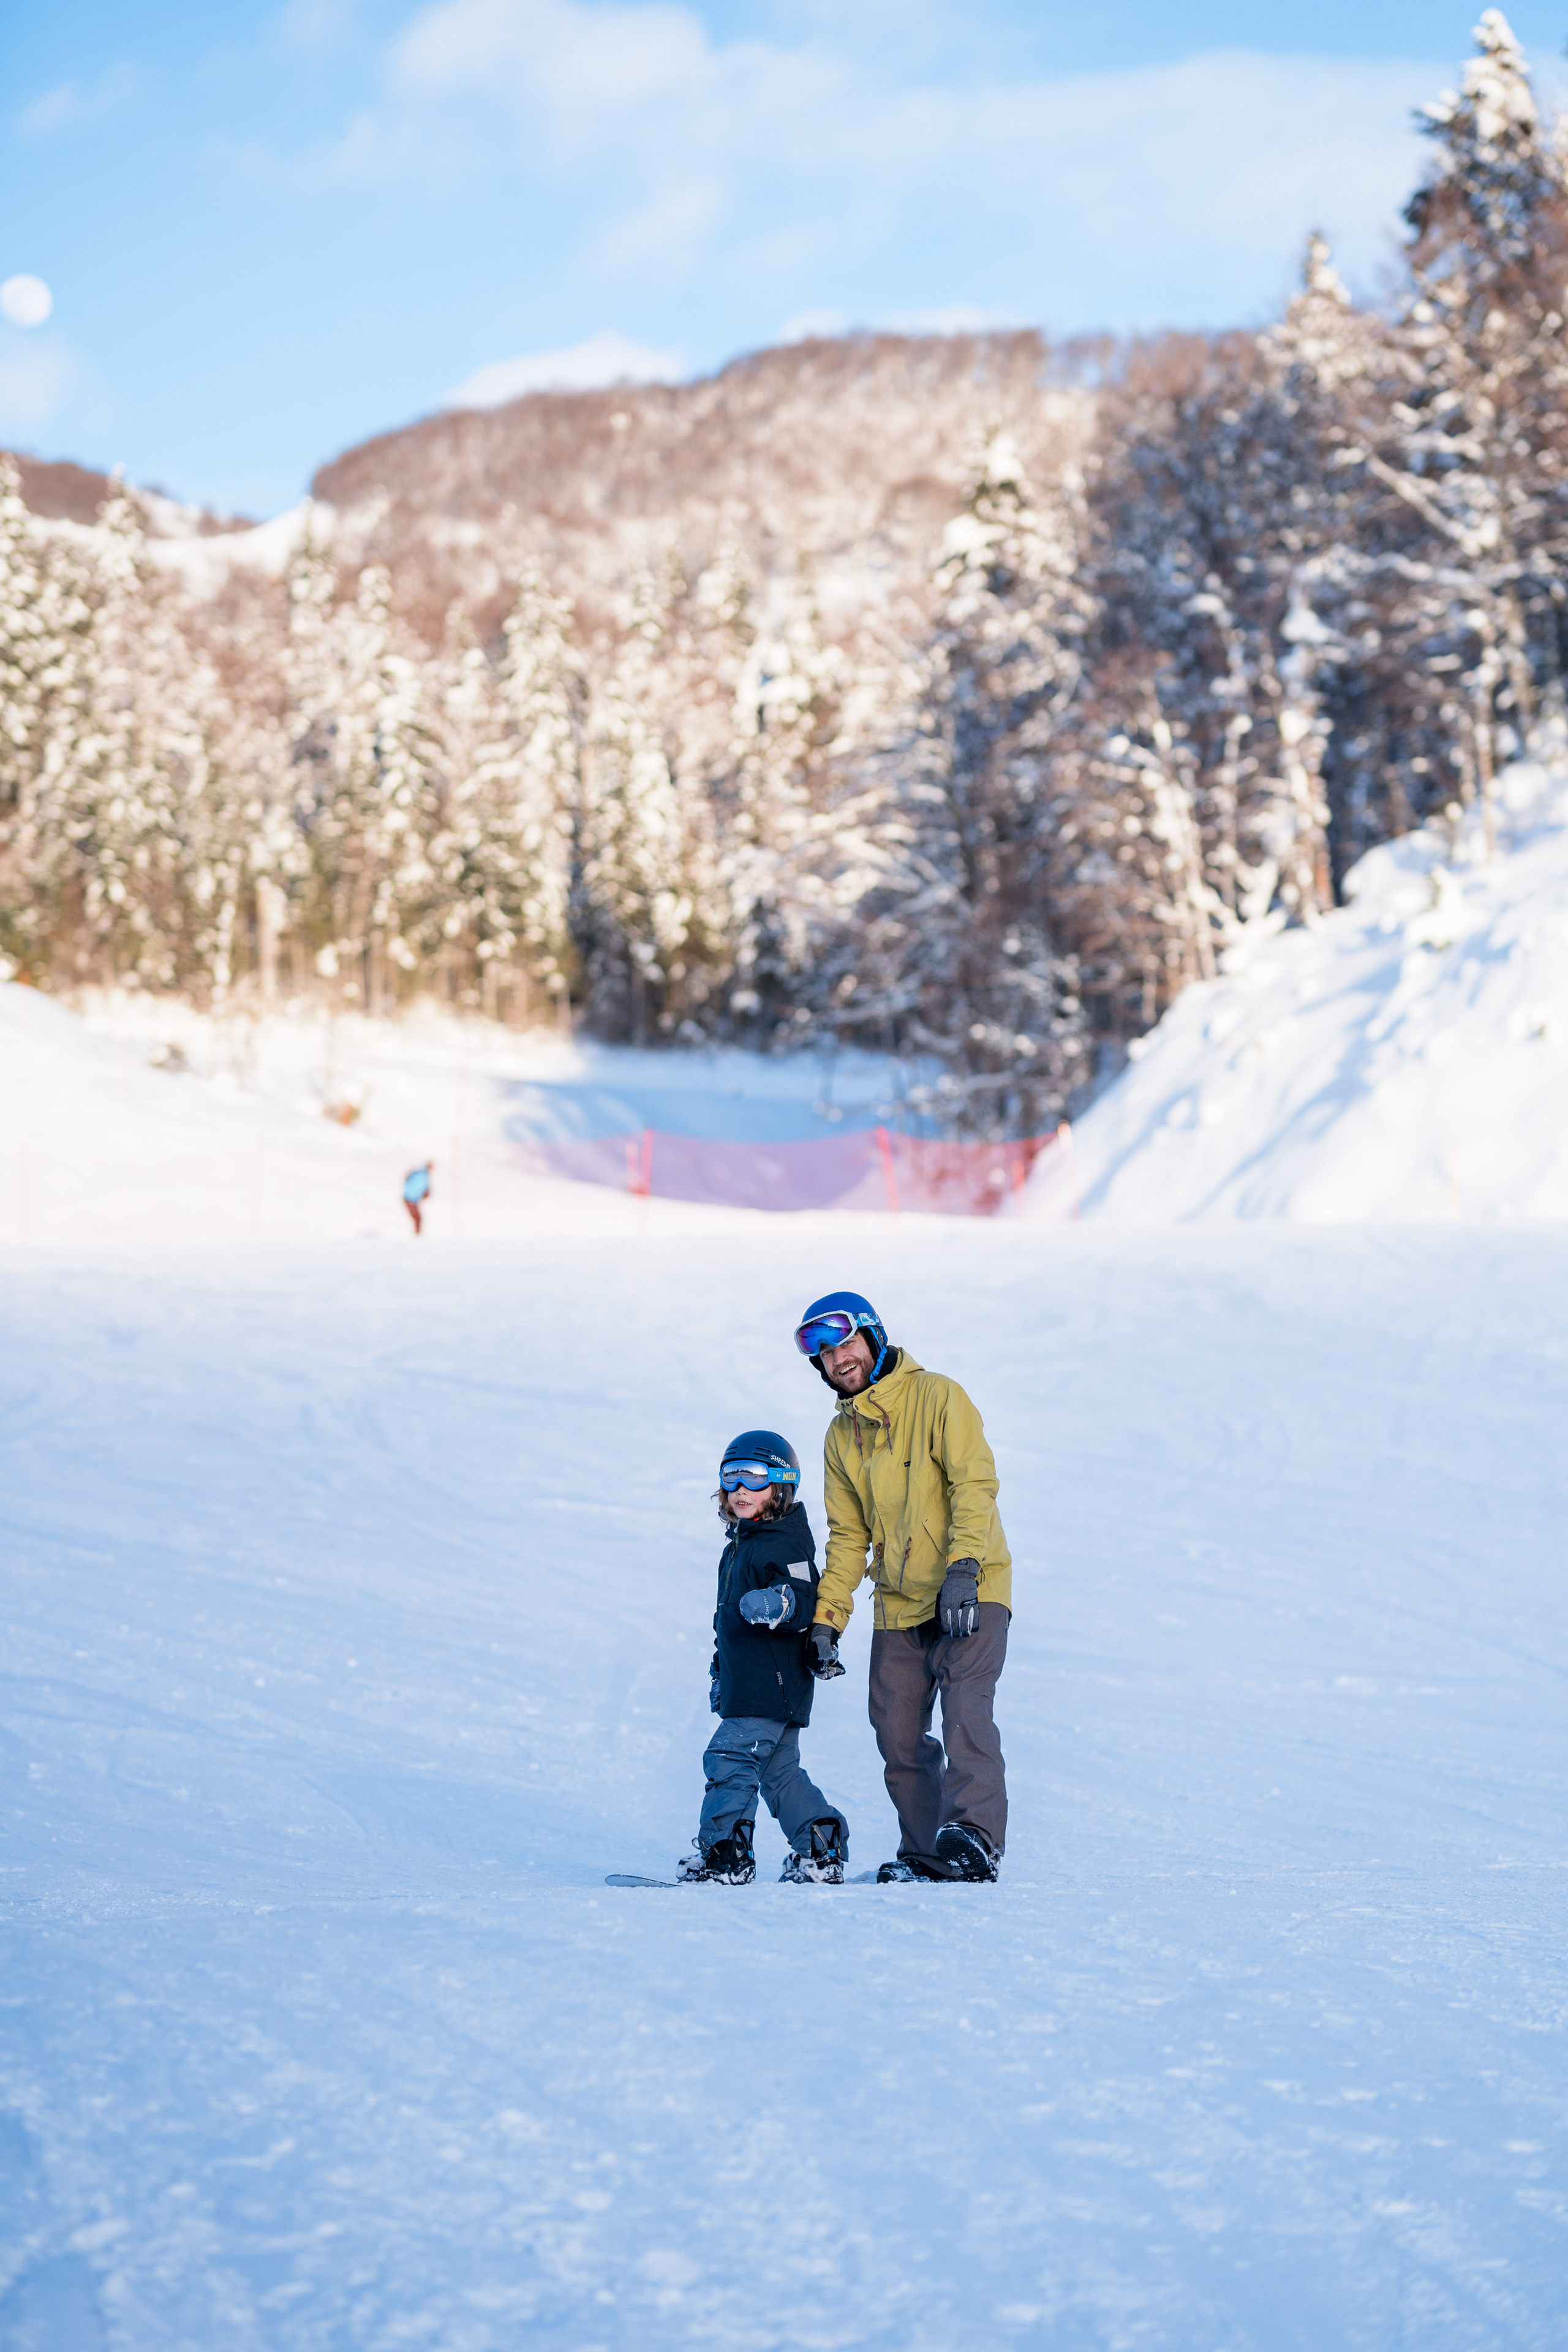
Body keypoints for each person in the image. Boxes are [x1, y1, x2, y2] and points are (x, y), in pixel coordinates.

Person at [794, 1290, 1010, 1883]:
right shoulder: (841, 1439)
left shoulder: (938, 1396)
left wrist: (964, 1568)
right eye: (823, 1355)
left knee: (965, 1710)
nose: (838, 1360)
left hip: (970, 1588)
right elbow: (847, 1537)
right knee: (895, 1732)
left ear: (873, 1335)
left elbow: (974, 1485)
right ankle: (925, 1852)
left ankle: (974, 1841)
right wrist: (827, 1619)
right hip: (898, 1605)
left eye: (845, 1344)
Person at [678, 1430, 850, 1886]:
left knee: (730, 1758)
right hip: (753, 1684)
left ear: (781, 1484)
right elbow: (726, 1625)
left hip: (771, 1685)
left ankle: (726, 1855)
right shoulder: (740, 1546)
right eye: (730, 1478)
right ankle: (821, 1850)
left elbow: (801, 1592)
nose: (739, 1490)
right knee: (780, 1775)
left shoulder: (784, 1542)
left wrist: (780, 1603)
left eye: (753, 1478)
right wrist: (721, 1671)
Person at [401, 1161, 433, 1235]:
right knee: (417, 1218)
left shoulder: (424, 1175)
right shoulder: (421, 1174)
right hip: (409, 1198)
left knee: (418, 1218)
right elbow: (417, 1185)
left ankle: (417, 1235)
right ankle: (417, 1236)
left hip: (413, 1199)